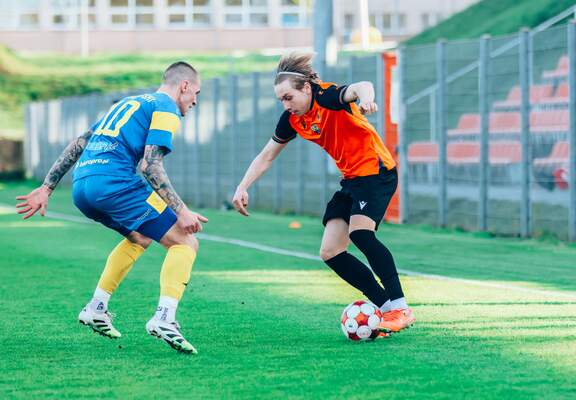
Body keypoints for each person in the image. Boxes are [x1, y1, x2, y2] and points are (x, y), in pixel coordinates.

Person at [16, 61, 207, 354]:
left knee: (140, 238)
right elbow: (150, 166)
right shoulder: (165, 108)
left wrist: (47, 187)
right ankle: (164, 318)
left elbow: (79, 143)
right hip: (115, 184)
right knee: (186, 241)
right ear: (184, 86)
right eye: (196, 93)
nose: (195, 101)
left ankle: (96, 307)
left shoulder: (129, 103)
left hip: (83, 188)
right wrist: (181, 211)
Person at [232, 53, 415, 334]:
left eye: (288, 97)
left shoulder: (327, 97)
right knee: (331, 251)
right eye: (281, 99)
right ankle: (385, 307)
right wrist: (242, 186)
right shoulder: (292, 119)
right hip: (351, 179)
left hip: (376, 171)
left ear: (306, 88)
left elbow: (361, 86)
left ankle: (400, 308)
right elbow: (267, 155)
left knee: (361, 234)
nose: (285, 104)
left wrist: (366, 99)